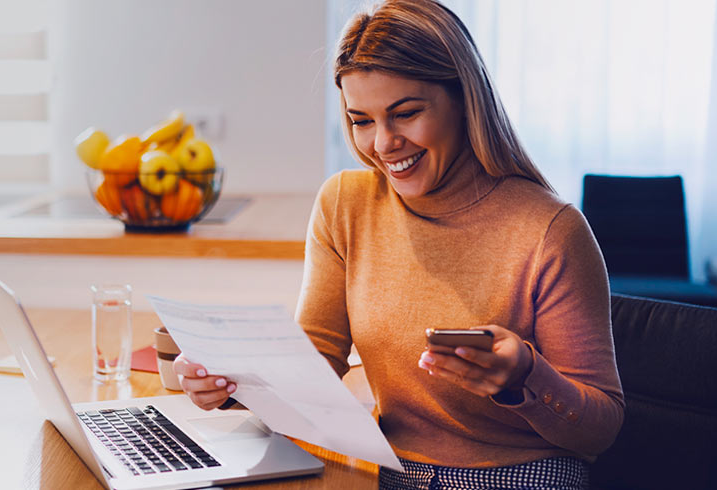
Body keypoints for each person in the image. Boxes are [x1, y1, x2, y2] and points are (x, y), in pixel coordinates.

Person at [174, 0, 624, 488]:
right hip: (392, 470)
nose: (383, 144)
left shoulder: (550, 229)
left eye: (405, 114)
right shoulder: (345, 204)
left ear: (463, 99)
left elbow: (600, 430)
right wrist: (230, 384)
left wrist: (523, 377)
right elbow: (315, 363)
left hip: (522, 473)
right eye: (361, 120)